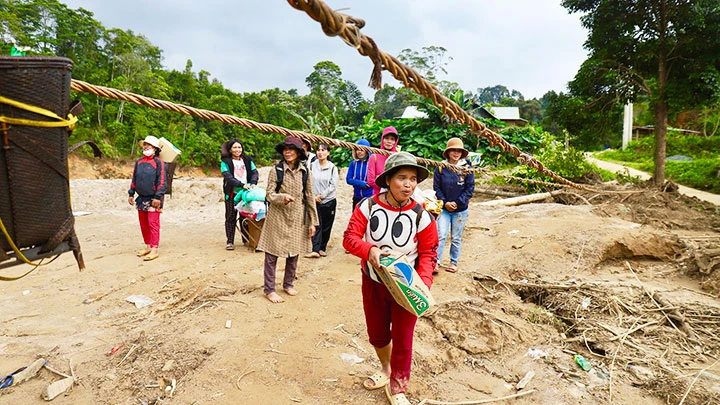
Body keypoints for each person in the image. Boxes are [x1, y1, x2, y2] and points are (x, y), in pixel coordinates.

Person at [343, 152, 438, 405]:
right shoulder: (368, 206)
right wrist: (369, 250)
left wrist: (423, 285)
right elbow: (349, 238)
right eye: (402, 178)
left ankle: (398, 387)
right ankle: (386, 368)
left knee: (404, 339)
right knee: (377, 334)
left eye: (413, 179)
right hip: (373, 281)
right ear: (387, 180)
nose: (408, 185)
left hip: (407, 287)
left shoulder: (422, 215)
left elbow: (429, 253)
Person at [257, 136, 319, 303]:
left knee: (294, 252)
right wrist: (282, 197)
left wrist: (312, 221)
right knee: (272, 253)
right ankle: (269, 289)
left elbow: (310, 197)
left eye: (292, 149)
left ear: (298, 153)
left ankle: (288, 284)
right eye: (285, 149)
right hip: (278, 216)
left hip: (298, 215)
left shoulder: (305, 172)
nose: (288, 152)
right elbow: (269, 195)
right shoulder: (275, 171)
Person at [433, 138, 475, 273]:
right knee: (441, 235)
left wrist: (457, 203)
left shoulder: (467, 168)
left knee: (456, 237)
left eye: (459, 151)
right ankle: (436, 262)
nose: (456, 153)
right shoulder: (440, 167)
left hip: (460, 210)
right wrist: (445, 202)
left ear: (462, 153)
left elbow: (470, 188)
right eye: (453, 150)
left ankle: (453, 262)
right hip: (444, 209)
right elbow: (436, 187)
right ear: (448, 152)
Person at [128, 135, 167, 261]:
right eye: (145, 144)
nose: (146, 147)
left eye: (148, 145)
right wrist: (131, 193)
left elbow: (162, 181)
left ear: (155, 148)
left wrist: (157, 197)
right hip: (141, 197)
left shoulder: (159, 163)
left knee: (153, 223)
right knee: (144, 224)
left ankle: (154, 249)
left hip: (154, 198)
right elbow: (134, 179)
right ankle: (148, 246)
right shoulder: (139, 162)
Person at [220, 139, 259, 250]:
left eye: (239, 147)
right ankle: (230, 241)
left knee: (245, 216)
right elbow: (228, 176)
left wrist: (253, 182)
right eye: (235, 147)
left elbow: (254, 172)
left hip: (246, 194)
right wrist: (241, 185)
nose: (237, 150)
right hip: (232, 194)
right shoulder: (225, 162)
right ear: (230, 149)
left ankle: (246, 239)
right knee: (231, 217)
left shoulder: (247, 159)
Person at [306, 143, 338, 258]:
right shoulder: (311, 166)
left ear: (328, 152)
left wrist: (322, 195)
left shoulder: (333, 167)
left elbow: (333, 186)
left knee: (327, 225)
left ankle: (322, 247)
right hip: (314, 200)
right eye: (318, 150)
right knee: (316, 223)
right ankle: (315, 248)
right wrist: (314, 196)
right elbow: (308, 182)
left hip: (328, 201)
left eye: (323, 150)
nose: (320, 152)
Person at [367, 126, 399, 195]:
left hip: (395, 196)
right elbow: (370, 180)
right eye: (386, 138)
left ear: (395, 142)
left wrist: (380, 179)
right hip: (378, 196)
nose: (389, 141)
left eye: (392, 139)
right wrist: (388, 187)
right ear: (382, 139)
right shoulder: (374, 157)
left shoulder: (398, 157)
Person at [345, 138, 373, 210]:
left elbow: (374, 179)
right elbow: (348, 179)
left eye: (362, 150)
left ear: (367, 151)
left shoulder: (372, 163)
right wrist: (360, 183)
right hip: (356, 197)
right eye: (357, 149)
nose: (359, 152)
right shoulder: (353, 163)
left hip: (369, 197)